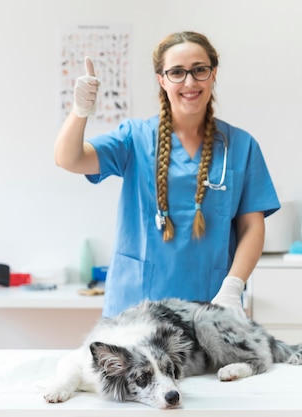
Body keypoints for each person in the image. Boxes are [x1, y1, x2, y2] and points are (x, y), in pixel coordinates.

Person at [54, 31, 280, 318]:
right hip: (135, 306)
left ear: (213, 74)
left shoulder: (241, 146)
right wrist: (80, 110)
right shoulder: (134, 138)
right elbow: (68, 158)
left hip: (208, 305)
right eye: (176, 72)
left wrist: (232, 287)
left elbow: (252, 227)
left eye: (199, 70)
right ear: (162, 79)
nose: (189, 82)